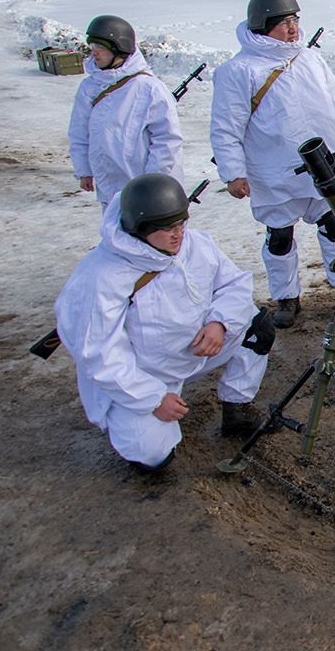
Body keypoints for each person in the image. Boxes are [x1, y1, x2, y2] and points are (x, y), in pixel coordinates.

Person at [55, 174, 275, 472]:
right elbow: (100, 354)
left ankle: (237, 408)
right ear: (140, 230)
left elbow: (234, 284)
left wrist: (219, 324)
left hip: (195, 350)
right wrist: (153, 398)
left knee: (257, 327)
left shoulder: (195, 244)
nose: (179, 234)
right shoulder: (102, 277)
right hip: (145, 375)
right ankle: (136, 421)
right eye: (167, 229)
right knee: (153, 456)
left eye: (181, 223)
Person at [210, 0, 335, 329]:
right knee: (280, 236)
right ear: (263, 26)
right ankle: (286, 297)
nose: (292, 29)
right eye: (283, 23)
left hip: (323, 166)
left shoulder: (310, 59)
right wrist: (233, 173)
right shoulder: (238, 71)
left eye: (295, 20)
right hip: (273, 171)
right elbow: (226, 127)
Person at [68, 15, 184, 208]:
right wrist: (84, 170)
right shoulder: (89, 88)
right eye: (92, 47)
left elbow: (167, 139)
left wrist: (152, 184)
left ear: (119, 49)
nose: (94, 53)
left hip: (151, 189)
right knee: (116, 236)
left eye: (101, 48)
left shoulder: (149, 88)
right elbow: (79, 131)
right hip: (109, 187)